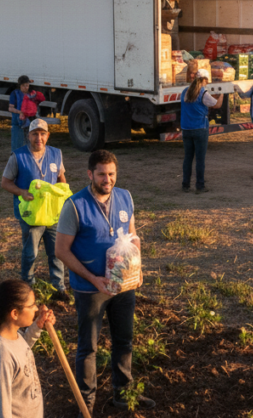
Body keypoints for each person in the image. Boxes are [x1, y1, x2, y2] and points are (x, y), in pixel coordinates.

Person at [55, 150, 156, 414]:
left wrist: (136, 267)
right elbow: (61, 250)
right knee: (88, 347)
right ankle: (85, 404)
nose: (107, 179)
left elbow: (133, 236)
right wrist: (94, 279)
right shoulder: (75, 205)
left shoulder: (125, 197)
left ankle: (123, 395)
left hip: (123, 287)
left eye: (111, 173)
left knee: (124, 340)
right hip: (90, 289)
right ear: (90, 174)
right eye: (101, 173)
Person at [1, 119, 68, 297]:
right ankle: (27, 285)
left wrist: (63, 197)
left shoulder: (56, 154)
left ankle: (59, 287)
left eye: (42, 134)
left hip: (53, 214)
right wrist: (21, 192)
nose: (39, 138)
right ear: (28, 136)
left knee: (56, 252)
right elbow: (5, 182)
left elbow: (61, 179)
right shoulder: (18, 156)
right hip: (31, 215)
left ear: (48, 135)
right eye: (35, 134)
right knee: (31, 251)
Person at [0, 278, 56, 418]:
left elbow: (20, 349)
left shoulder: (13, 335)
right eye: (32, 305)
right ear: (15, 313)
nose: (36, 308)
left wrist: (37, 326)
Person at [180, 69, 222, 194]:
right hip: (200, 128)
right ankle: (200, 185)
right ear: (206, 80)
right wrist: (222, 95)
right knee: (200, 159)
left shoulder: (184, 92)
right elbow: (216, 105)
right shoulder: (203, 93)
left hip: (186, 128)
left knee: (188, 158)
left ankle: (185, 185)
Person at [9, 75, 46, 152]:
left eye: (27, 85)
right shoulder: (15, 94)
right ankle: (16, 159)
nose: (26, 87)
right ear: (20, 86)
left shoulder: (31, 94)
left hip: (29, 121)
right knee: (17, 144)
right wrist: (20, 112)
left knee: (30, 143)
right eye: (23, 86)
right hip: (17, 122)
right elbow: (10, 108)